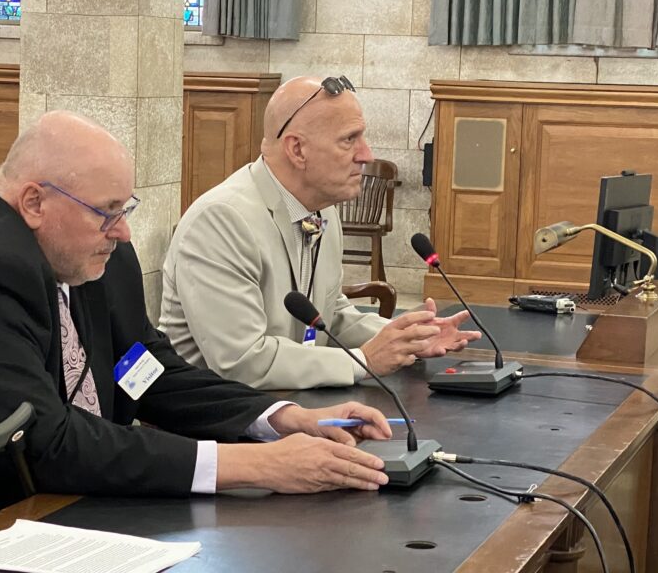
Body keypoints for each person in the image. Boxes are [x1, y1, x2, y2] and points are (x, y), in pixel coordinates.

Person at [0, 111, 397, 567]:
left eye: (124, 208)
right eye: (107, 211)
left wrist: (280, 419)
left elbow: (147, 371)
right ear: (33, 203)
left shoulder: (86, 255)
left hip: (35, 510)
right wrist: (252, 465)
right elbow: (47, 441)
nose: (124, 232)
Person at [159, 76, 480, 390]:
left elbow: (329, 316)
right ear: (297, 149)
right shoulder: (221, 221)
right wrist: (364, 361)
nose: (366, 155)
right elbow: (243, 363)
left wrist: (407, 337)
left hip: (288, 407)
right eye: (349, 140)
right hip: (215, 426)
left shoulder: (321, 209)